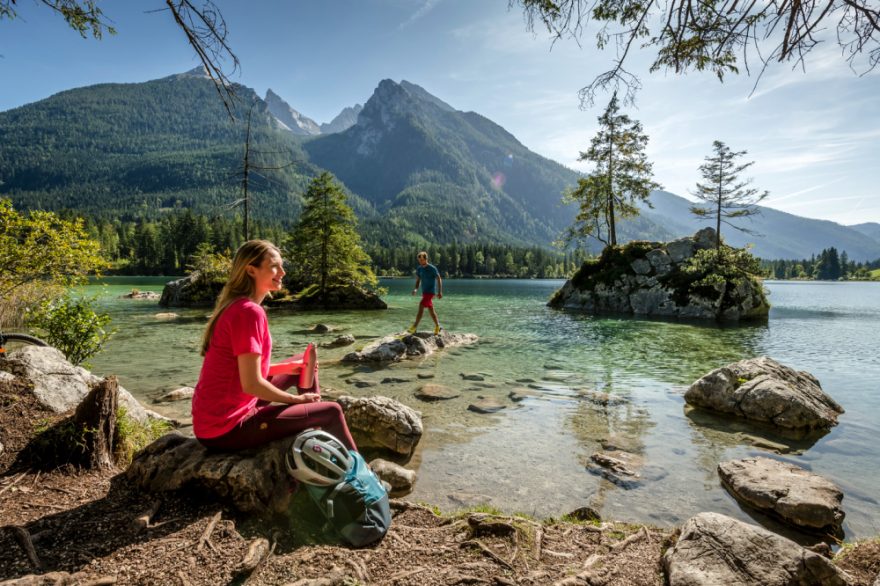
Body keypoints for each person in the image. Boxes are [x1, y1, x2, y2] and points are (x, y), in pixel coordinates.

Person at [191, 239, 357, 451]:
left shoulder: (237, 306)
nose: (283, 272)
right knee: (332, 411)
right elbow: (251, 384)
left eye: (281, 266)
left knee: (302, 362)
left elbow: (244, 373)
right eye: (274, 266)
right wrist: (296, 400)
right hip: (226, 429)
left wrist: (289, 368)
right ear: (251, 270)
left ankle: (314, 423)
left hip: (212, 421)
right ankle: (357, 468)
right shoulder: (248, 312)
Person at [408, 251, 443, 335]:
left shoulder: (432, 268)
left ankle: (414, 327)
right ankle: (438, 326)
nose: (420, 262)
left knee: (421, 305)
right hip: (424, 292)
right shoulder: (419, 269)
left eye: (422, 260)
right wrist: (416, 289)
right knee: (431, 311)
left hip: (430, 292)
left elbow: (439, 279)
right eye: (419, 260)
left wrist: (440, 291)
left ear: (426, 259)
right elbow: (418, 280)